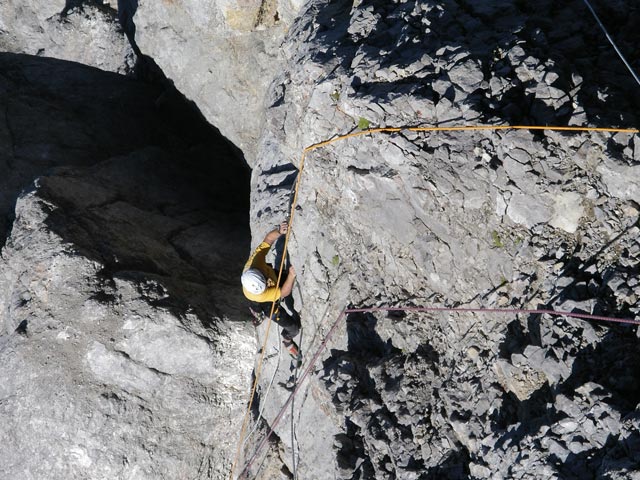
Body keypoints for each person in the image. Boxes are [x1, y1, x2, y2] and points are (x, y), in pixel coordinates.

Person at [241, 221, 302, 360]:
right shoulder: (262, 295)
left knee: (284, 278)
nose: (268, 285)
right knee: (294, 328)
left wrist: (279, 231)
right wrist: (292, 276)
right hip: (265, 304)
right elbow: (283, 293)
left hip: (272, 276)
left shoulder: (256, 261)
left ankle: (284, 338)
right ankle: (287, 340)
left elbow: (268, 239)